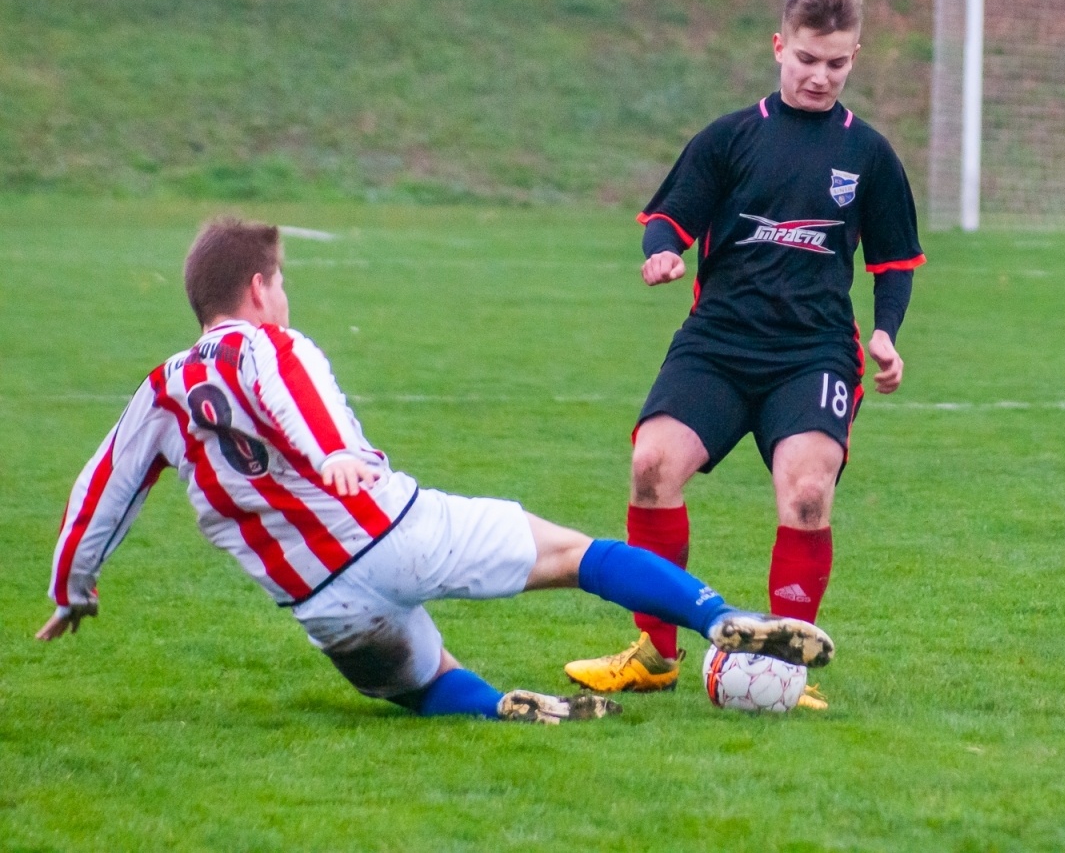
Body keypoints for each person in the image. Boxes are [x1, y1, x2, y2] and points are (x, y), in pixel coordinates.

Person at [38, 218, 833, 723]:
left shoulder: (161, 391)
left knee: (421, 682)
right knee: (575, 555)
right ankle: (718, 618)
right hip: (392, 531)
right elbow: (292, 394)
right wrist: (337, 455)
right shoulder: (267, 344)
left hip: (323, 604)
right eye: (280, 284)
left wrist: (74, 586)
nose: (283, 297)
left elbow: (102, 489)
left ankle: (495, 709)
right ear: (257, 288)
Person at [562, 0, 924, 708]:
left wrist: (886, 334)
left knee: (809, 493)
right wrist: (662, 254)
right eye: (807, 59)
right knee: (652, 466)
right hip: (719, 344)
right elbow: (671, 218)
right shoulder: (730, 138)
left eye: (837, 63)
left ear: (855, 58)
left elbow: (894, 263)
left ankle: (785, 670)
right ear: (779, 47)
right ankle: (655, 653)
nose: (820, 76)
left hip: (814, 353)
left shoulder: (869, 155)